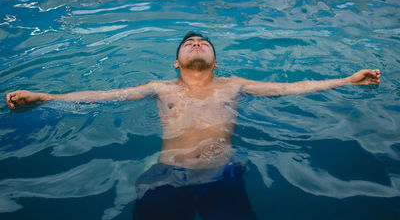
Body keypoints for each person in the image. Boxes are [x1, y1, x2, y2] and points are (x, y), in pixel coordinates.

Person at [6, 32, 381, 219]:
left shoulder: (235, 86)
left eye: (203, 42)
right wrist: (46, 97)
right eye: (189, 43)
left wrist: (348, 81)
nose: (197, 43)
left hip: (224, 175)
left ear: (216, 61)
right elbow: (105, 95)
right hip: (166, 176)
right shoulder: (159, 88)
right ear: (176, 62)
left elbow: (291, 88)